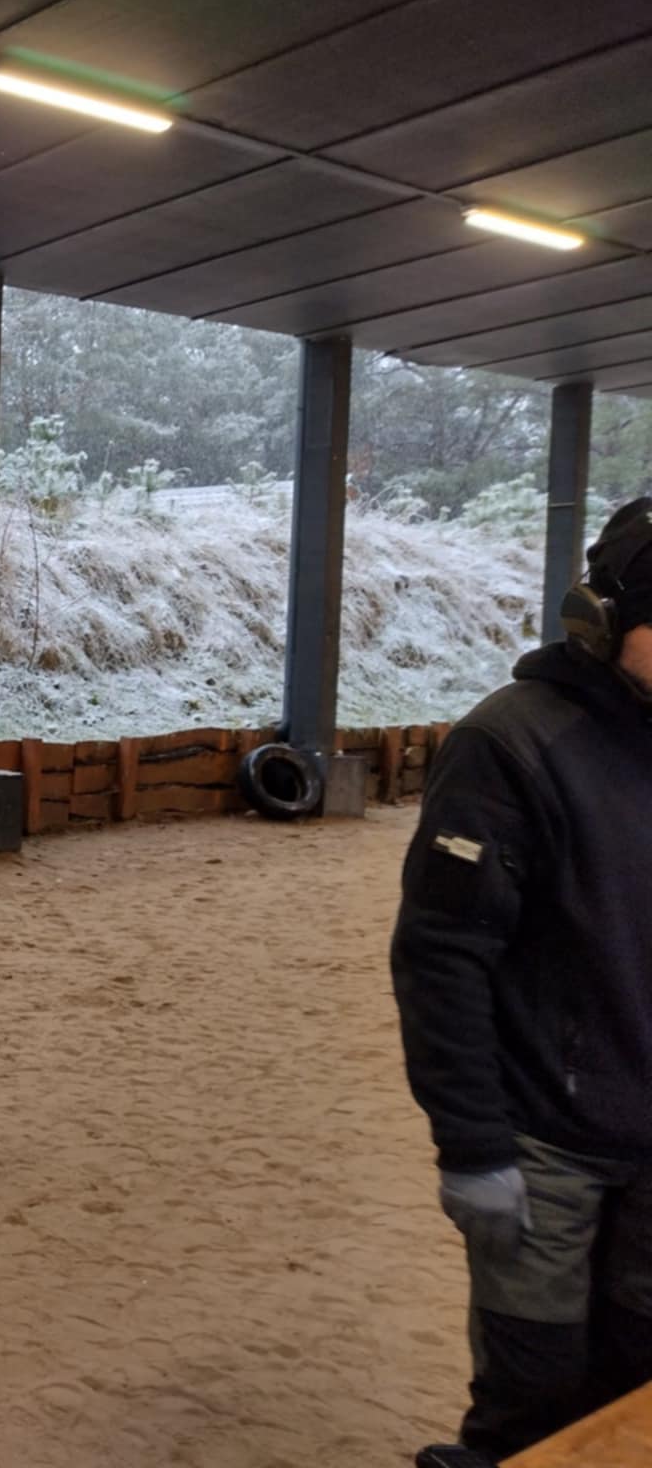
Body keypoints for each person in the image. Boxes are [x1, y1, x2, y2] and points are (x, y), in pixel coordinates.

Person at [392, 498, 652, 1464]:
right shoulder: (509, 744)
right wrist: (472, 1145)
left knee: (634, 1388)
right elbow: (442, 956)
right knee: (532, 1398)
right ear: (601, 620)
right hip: (546, 1144)